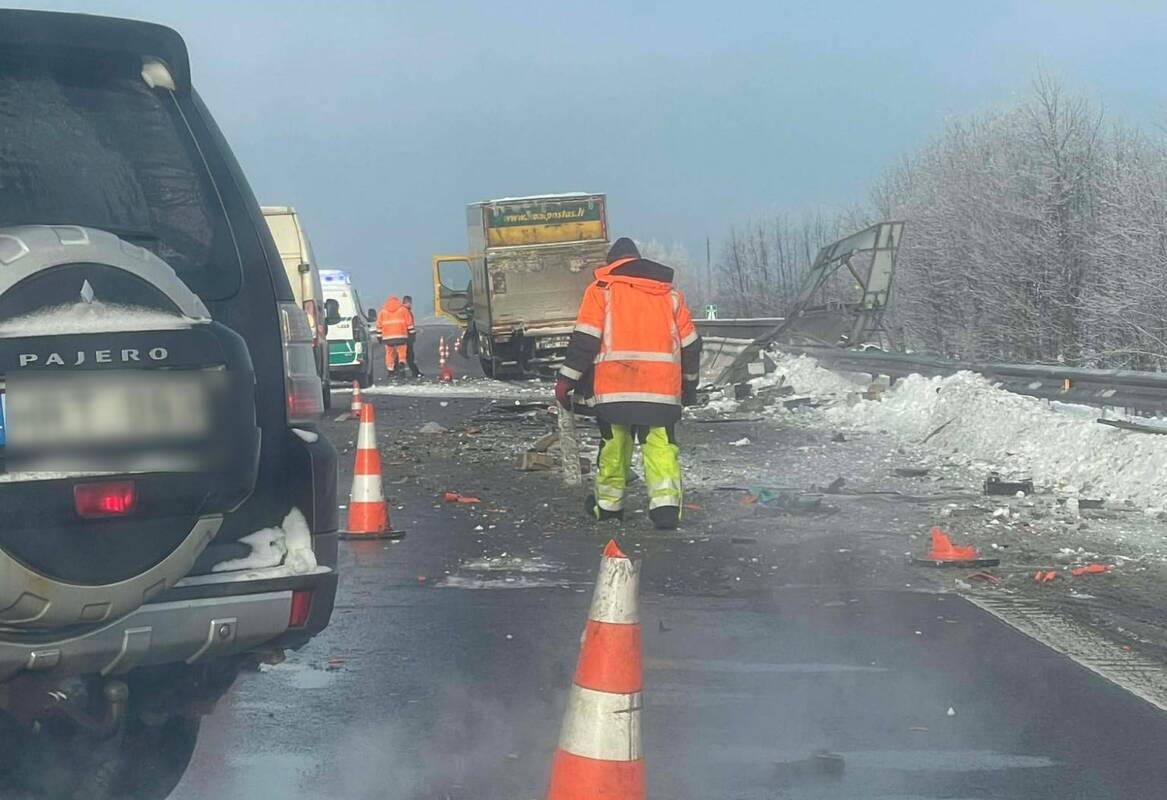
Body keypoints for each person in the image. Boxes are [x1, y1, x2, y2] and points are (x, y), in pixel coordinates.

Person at [555, 238, 702, 530]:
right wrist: (689, 386)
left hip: (614, 389)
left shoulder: (601, 290)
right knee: (661, 446)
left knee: (614, 446)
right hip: (660, 390)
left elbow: (585, 341)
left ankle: (609, 508)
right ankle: (665, 509)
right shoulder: (670, 296)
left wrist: (566, 380)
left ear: (612, 264)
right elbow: (691, 346)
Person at [377, 295, 413, 376]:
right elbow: (409, 323)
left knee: (389, 353)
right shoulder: (403, 310)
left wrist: (379, 337)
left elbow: (379, 326)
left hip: (388, 338)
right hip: (401, 336)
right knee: (401, 351)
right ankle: (401, 363)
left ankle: (390, 370)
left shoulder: (382, 312)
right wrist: (412, 334)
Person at [402, 295, 422, 377]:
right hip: (406, 337)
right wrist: (412, 334)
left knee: (405, 355)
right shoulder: (405, 311)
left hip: (404, 336)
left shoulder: (402, 310)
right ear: (406, 302)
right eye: (410, 303)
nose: (411, 305)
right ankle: (415, 372)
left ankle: (403, 373)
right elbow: (409, 325)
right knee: (409, 356)